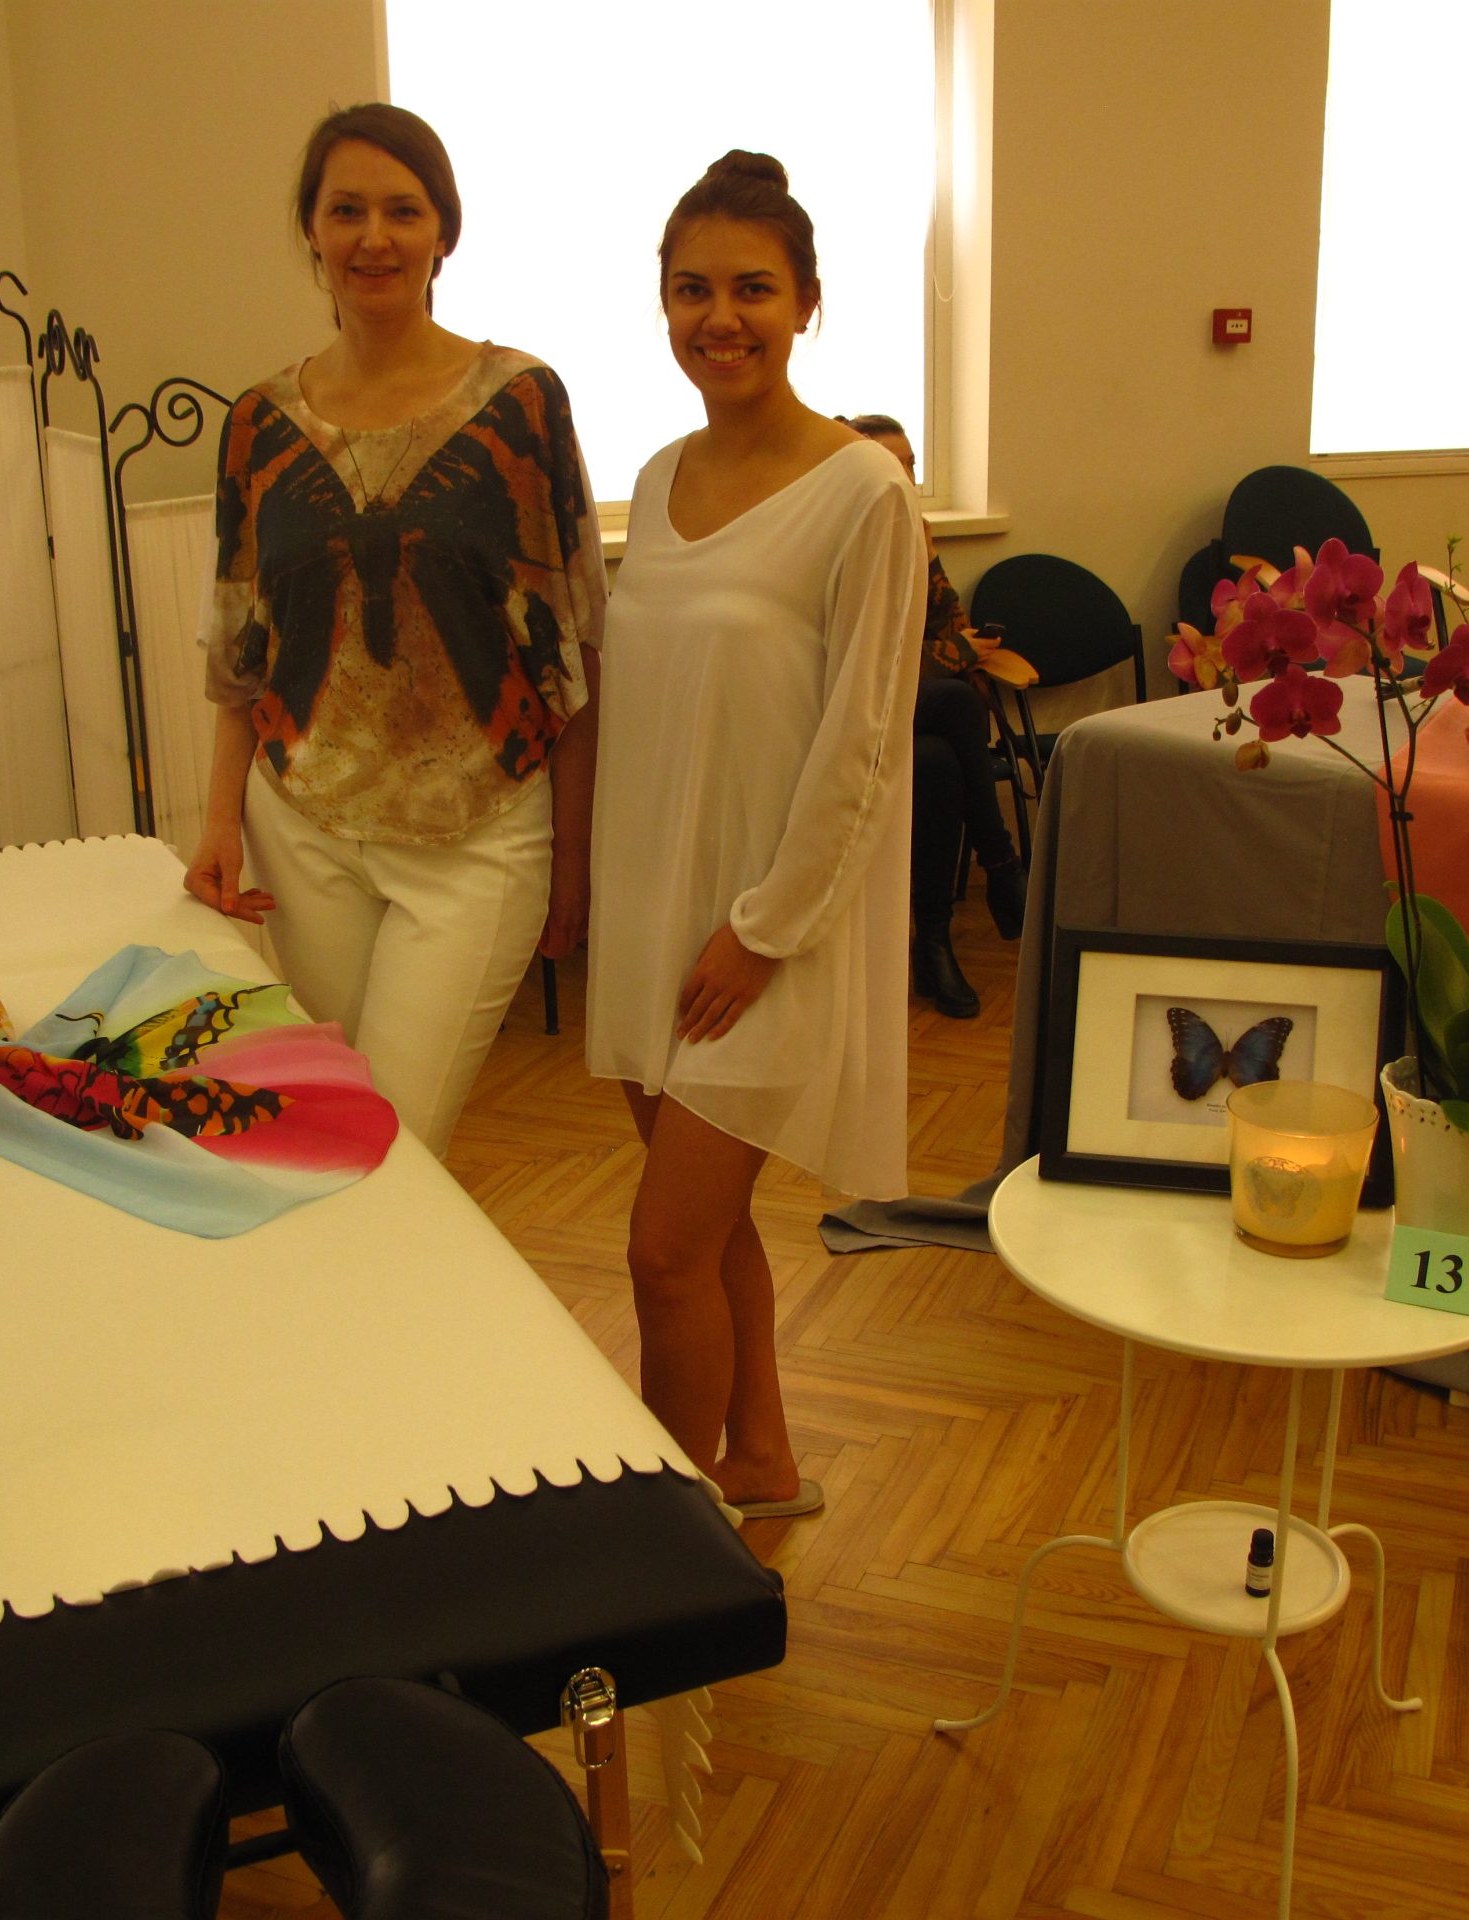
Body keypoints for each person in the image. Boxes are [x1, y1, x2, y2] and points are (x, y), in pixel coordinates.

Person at [586, 153, 924, 1518]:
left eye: (752, 290)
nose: (718, 318)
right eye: (691, 290)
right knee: (710, 1231)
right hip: (652, 917)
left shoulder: (863, 492)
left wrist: (765, 930)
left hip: (762, 934)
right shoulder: (657, 474)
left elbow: (864, 745)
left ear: (807, 305)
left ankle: (670, 1547)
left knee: (663, 1254)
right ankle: (765, 1463)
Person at [186, 104, 605, 1159]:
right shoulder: (258, 423)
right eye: (347, 211)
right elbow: (240, 652)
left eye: (402, 211)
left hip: (478, 833)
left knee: (396, 1146)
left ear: (443, 233)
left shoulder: (521, 402)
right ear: (312, 231)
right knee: (327, 1129)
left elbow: (576, 649)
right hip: (302, 829)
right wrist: (220, 821)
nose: (374, 237)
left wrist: (575, 858)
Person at [844, 414, 1028, 1020]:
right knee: (955, 701)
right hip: (847, 715)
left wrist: (927, 566)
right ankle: (1000, 863)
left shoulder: (915, 533)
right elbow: (871, 664)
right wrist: (959, 654)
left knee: (940, 762)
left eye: (911, 466)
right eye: (890, 466)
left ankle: (934, 942)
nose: (906, 479)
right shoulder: (841, 539)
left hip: (909, 721)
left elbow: (950, 627)